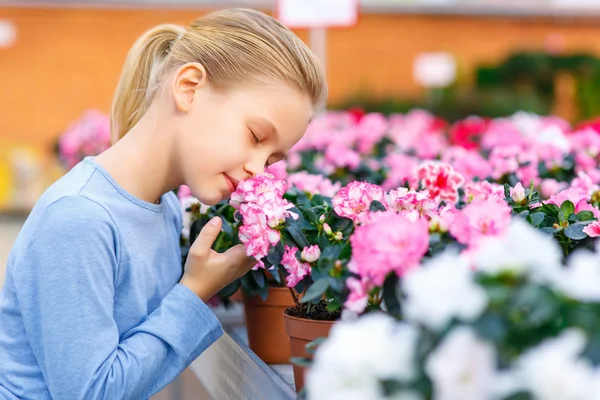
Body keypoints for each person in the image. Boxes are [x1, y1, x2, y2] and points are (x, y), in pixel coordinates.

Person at [0, 8, 327, 399]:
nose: (259, 171)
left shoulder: (165, 205)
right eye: (256, 136)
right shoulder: (80, 217)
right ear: (189, 87)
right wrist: (193, 291)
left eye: (273, 159)